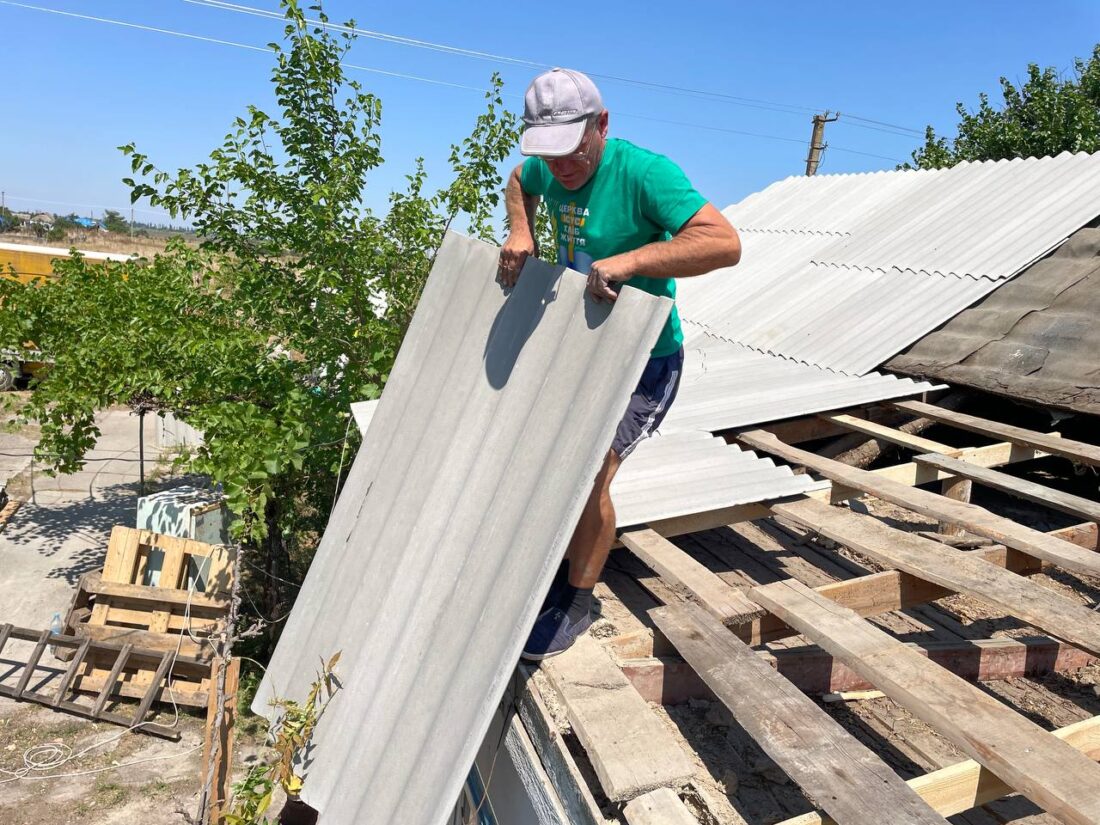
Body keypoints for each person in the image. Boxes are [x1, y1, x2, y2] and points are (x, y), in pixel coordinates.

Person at [499, 67, 741, 660]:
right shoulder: (544, 167)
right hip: (583, 352)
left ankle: (576, 599)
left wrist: (632, 262)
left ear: (601, 125)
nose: (561, 169)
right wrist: (519, 230)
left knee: (592, 470)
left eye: (572, 152)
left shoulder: (644, 173)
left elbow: (724, 242)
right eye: (549, 155)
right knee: (554, 460)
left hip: (646, 361)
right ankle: (557, 557)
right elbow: (519, 180)